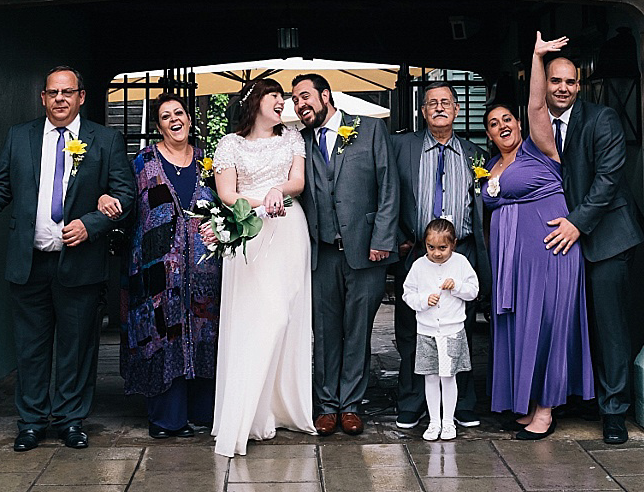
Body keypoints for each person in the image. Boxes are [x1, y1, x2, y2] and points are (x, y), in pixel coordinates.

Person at [0, 66, 136, 452]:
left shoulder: (106, 139)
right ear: (43, 97)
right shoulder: (21, 136)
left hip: (80, 263)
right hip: (29, 262)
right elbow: (1, 187)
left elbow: (125, 195)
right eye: (53, 92)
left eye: (68, 92)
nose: (60, 99)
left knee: (77, 347)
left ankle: (70, 421)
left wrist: (91, 224)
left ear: (82, 96)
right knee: (31, 348)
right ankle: (31, 423)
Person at [482, 33, 594, 440]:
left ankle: (546, 410)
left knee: (550, 324)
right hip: (514, 263)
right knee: (523, 328)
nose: (503, 126)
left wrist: (536, 56)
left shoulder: (539, 148)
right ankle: (528, 403)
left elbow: (535, 104)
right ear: (489, 135)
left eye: (507, 119)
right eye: (493, 124)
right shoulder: (491, 166)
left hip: (551, 250)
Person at [97, 93, 221, 439]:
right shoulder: (142, 163)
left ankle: (200, 414)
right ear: (158, 126)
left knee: (203, 336)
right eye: (165, 116)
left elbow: (227, 205)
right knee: (161, 337)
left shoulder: (208, 164)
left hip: (203, 270)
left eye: (179, 113)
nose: (174, 120)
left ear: (190, 120)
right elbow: (120, 197)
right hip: (154, 271)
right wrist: (106, 198)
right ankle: (166, 419)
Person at [541, 52, 644, 445]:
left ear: (579, 85)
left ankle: (615, 411)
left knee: (610, 329)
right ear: (545, 83)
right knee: (571, 326)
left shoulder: (601, 119)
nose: (564, 88)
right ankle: (580, 398)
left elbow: (607, 180)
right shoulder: (538, 123)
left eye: (570, 82)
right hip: (565, 243)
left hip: (609, 237)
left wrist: (575, 223)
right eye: (556, 81)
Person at [209, 78, 315, 457]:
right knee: (260, 318)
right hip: (249, 232)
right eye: (274, 96)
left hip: (288, 229)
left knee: (287, 316)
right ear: (255, 102)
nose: (281, 102)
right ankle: (247, 410)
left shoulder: (293, 139)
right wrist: (262, 200)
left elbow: (297, 182)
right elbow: (226, 193)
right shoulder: (230, 144)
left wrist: (278, 192)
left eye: (281, 98)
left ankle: (279, 407)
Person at [291, 73, 399, 437]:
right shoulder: (299, 142)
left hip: (366, 251)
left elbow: (388, 186)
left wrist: (382, 237)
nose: (299, 104)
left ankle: (351, 405)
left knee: (357, 332)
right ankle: (326, 406)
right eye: (294, 100)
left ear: (326, 96)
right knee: (323, 332)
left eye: (305, 96)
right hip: (321, 253)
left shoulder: (369, 130)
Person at [391, 81, 492, 430]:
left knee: (458, 331)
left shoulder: (475, 154)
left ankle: (461, 404)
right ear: (423, 111)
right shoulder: (402, 146)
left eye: (445, 102)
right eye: (432, 102)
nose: (439, 107)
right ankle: (413, 401)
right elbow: (389, 192)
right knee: (411, 330)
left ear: (457, 109)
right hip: (417, 251)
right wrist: (401, 238)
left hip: (461, 251)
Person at [402, 218, 479, 441]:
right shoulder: (418, 266)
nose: (436, 253)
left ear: (453, 244)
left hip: (451, 331)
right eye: (431, 247)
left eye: (443, 248)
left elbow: (473, 291)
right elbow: (408, 293)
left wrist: (457, 287)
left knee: (448, 377)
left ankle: (448, 421)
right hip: (426, 331)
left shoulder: (461, 263)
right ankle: (434, 421)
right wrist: (424, 300)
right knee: (431, 377)